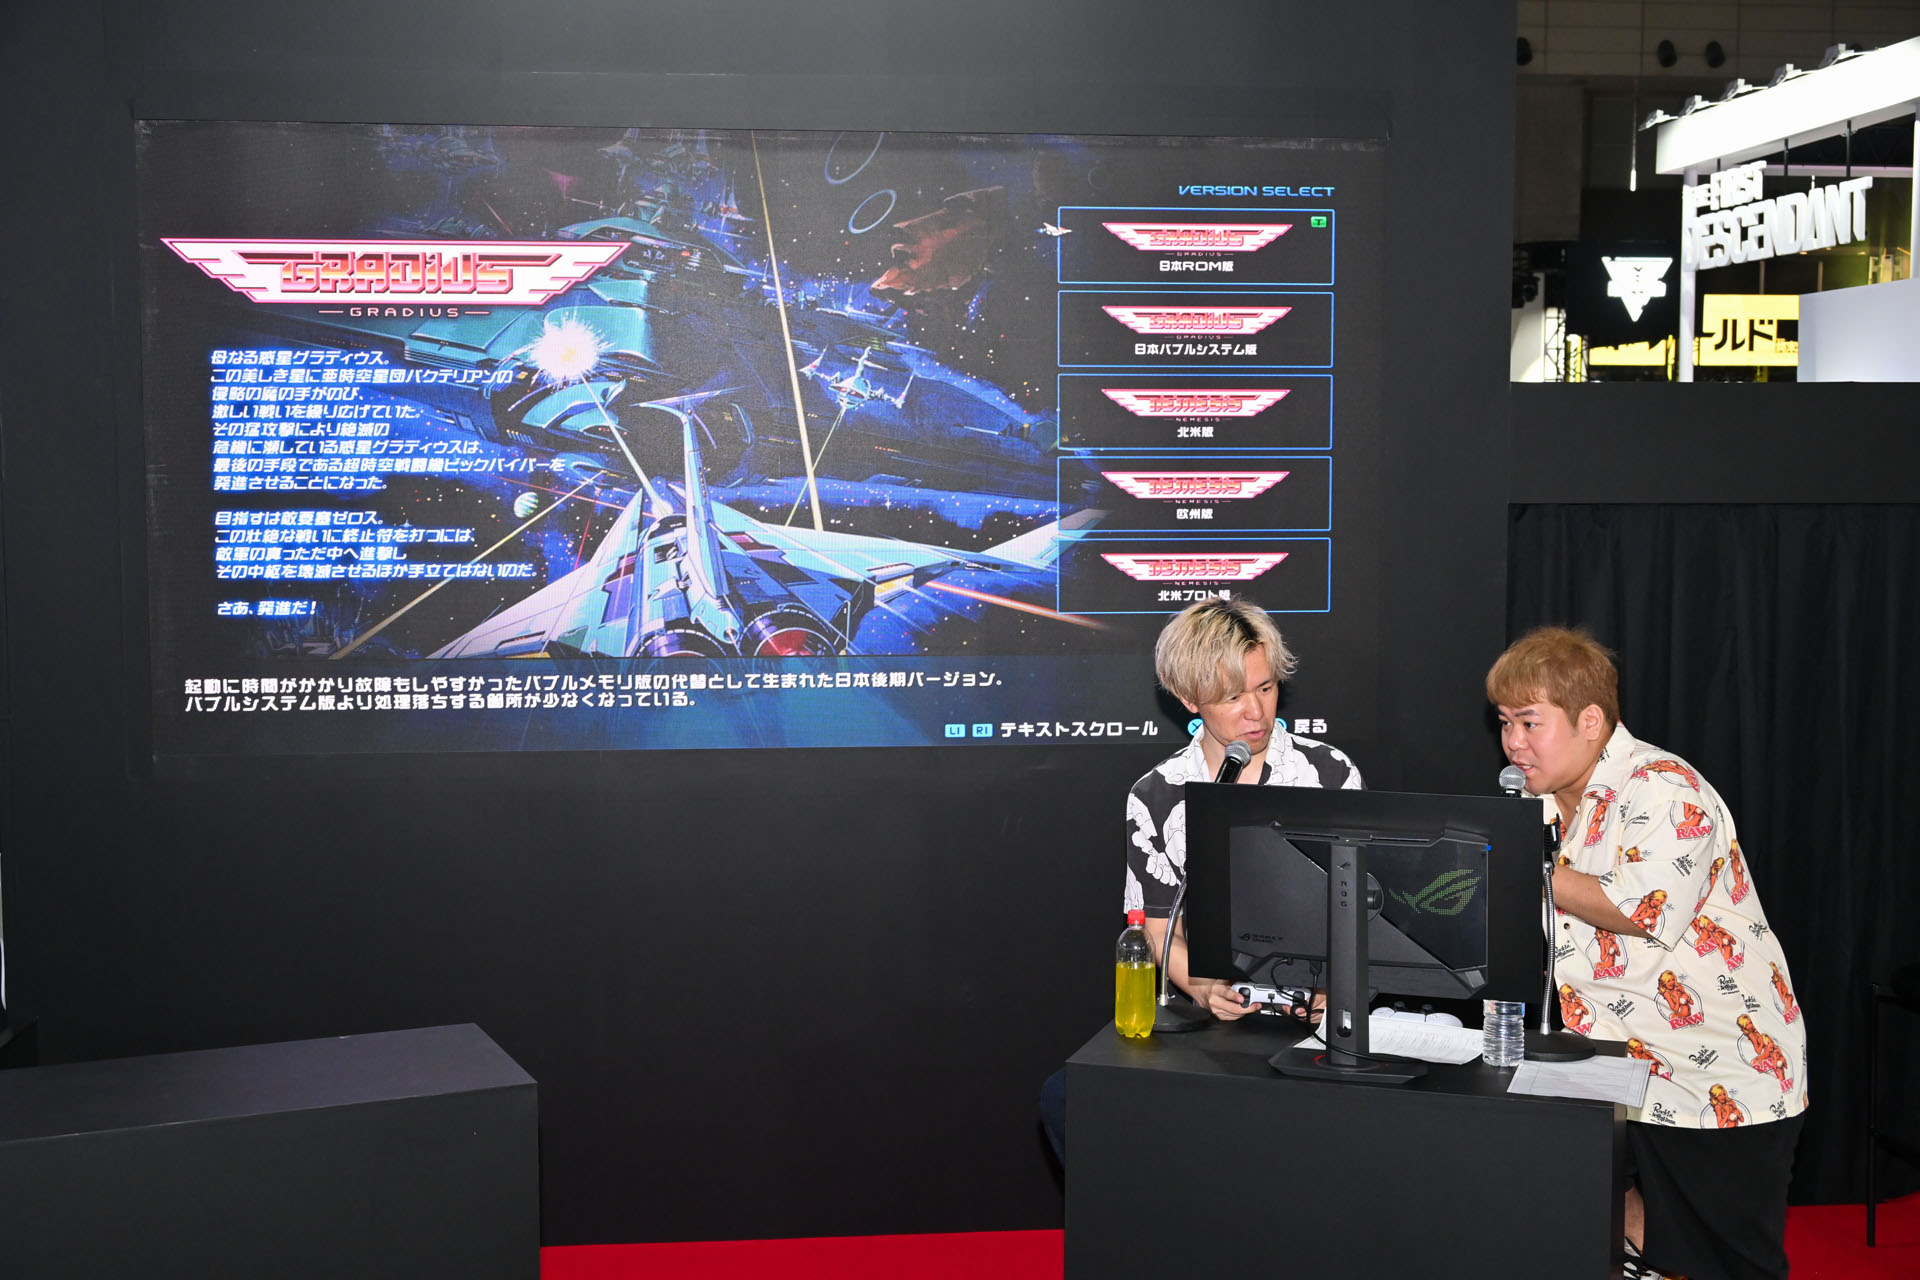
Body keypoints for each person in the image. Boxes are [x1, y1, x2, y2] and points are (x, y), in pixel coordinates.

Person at [1488, 626, 1807, 1280]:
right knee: (1606, 1235)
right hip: (1610, 1064)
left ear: (1590, 721)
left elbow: (1640, 909)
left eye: (1529, 722)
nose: (1513, 742)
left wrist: (1516, 862)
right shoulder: (1533, 804)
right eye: (1504, 722)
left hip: (1714, 1068)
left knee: (1728, 1263)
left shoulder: (1663, 788)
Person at [1039, 595, 1360, 1165]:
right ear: (1190, 699)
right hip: (1217, 1016)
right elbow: (1158, 928)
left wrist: (1338, 989)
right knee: (1070, 1097)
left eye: (1266, 688)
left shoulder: (1328, 774)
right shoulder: (1158, 793)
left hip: (1318, 1011)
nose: (1256, 712)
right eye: (1232, 697)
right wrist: (1204, 989)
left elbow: (1364, 912)